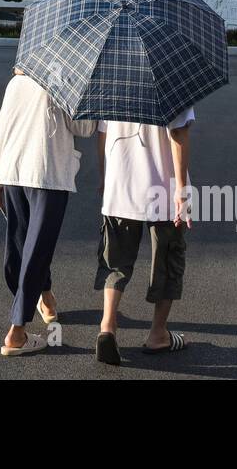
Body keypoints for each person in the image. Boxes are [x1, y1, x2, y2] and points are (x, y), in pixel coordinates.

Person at [0, 68, 97, 357]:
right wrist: (91, 95)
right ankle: (17, 332)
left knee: (24, 245)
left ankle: (45, 297)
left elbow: (2, 128)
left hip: (13, 171)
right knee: (36, 249)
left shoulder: (17, 80)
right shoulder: (66, 82)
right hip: (46, 175)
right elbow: (84, 128)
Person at [94, 108, 195, 364]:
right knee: (168, 258)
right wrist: (182, 189)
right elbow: (178, 131)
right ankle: (158, 334)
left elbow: (103, 133)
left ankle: (108, 326)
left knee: (114, 261)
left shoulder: (112, 78)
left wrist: (105, 178)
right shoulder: (173, 77)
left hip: (120, 185)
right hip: (162, 188)